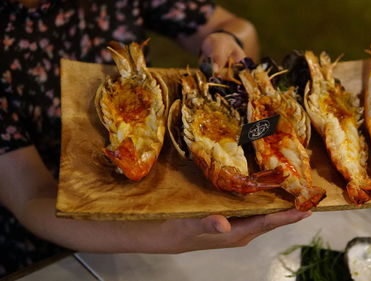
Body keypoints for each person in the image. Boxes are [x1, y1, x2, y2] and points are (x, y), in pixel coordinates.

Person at [0, 0, 311, 277]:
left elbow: (233, 27)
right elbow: (29, 197)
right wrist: (158, 236)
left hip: (154, 199)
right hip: (46, 244)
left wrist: (228, 40)